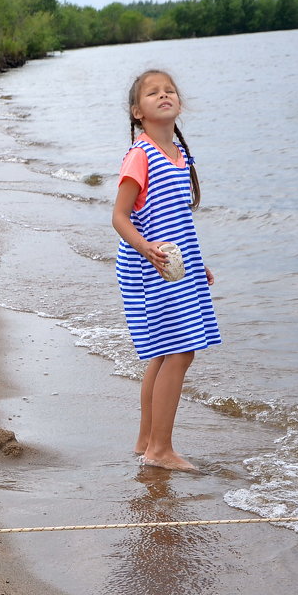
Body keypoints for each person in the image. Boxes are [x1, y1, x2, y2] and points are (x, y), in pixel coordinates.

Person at [111, 69, 221, 471]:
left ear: (179, 103)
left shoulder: (179, 154)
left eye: (169, 90)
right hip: (147, 267)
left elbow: (176, 220)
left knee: (162, 354)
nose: (164, 95)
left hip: (174, 266)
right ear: (137, 112)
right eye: (153, 93)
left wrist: (195, 263)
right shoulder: (140, 155)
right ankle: (161, 449)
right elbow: (120, 217)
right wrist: (149, 251)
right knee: (179, 350)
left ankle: (146, 440)